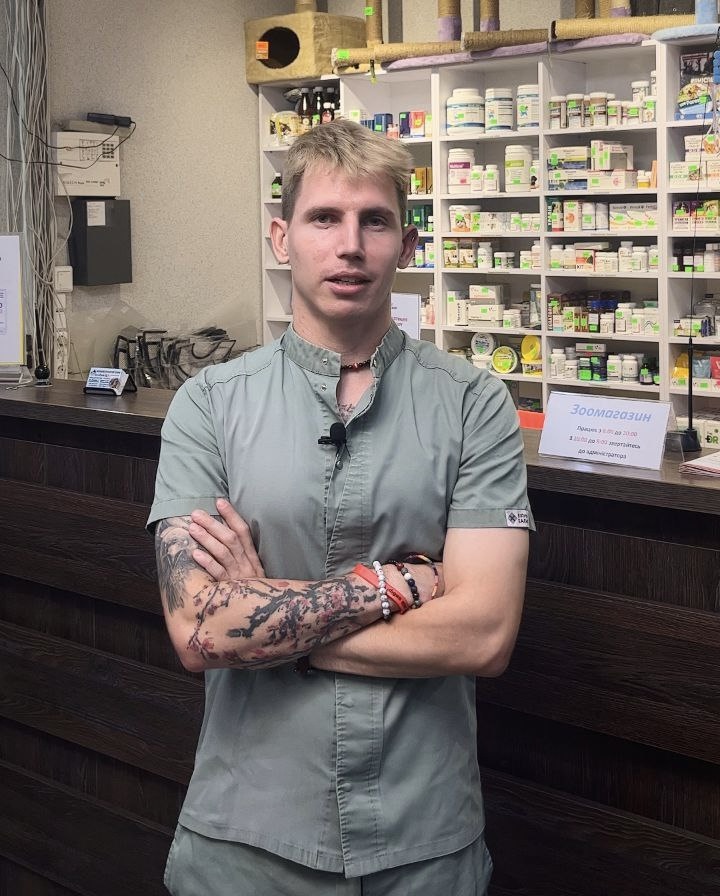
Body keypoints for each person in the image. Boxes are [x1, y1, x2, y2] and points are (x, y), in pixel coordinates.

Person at [148, 118, 534, 896]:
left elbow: (485, 633)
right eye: (324, 218)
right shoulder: (209, 404)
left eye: (375, 221)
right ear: (283, 237)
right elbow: (198, 630)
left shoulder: (474, 404)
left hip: (422, 839)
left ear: (407, 244)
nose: (350, 245)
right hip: (248, 834)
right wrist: (395, 584)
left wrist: (268, 620)